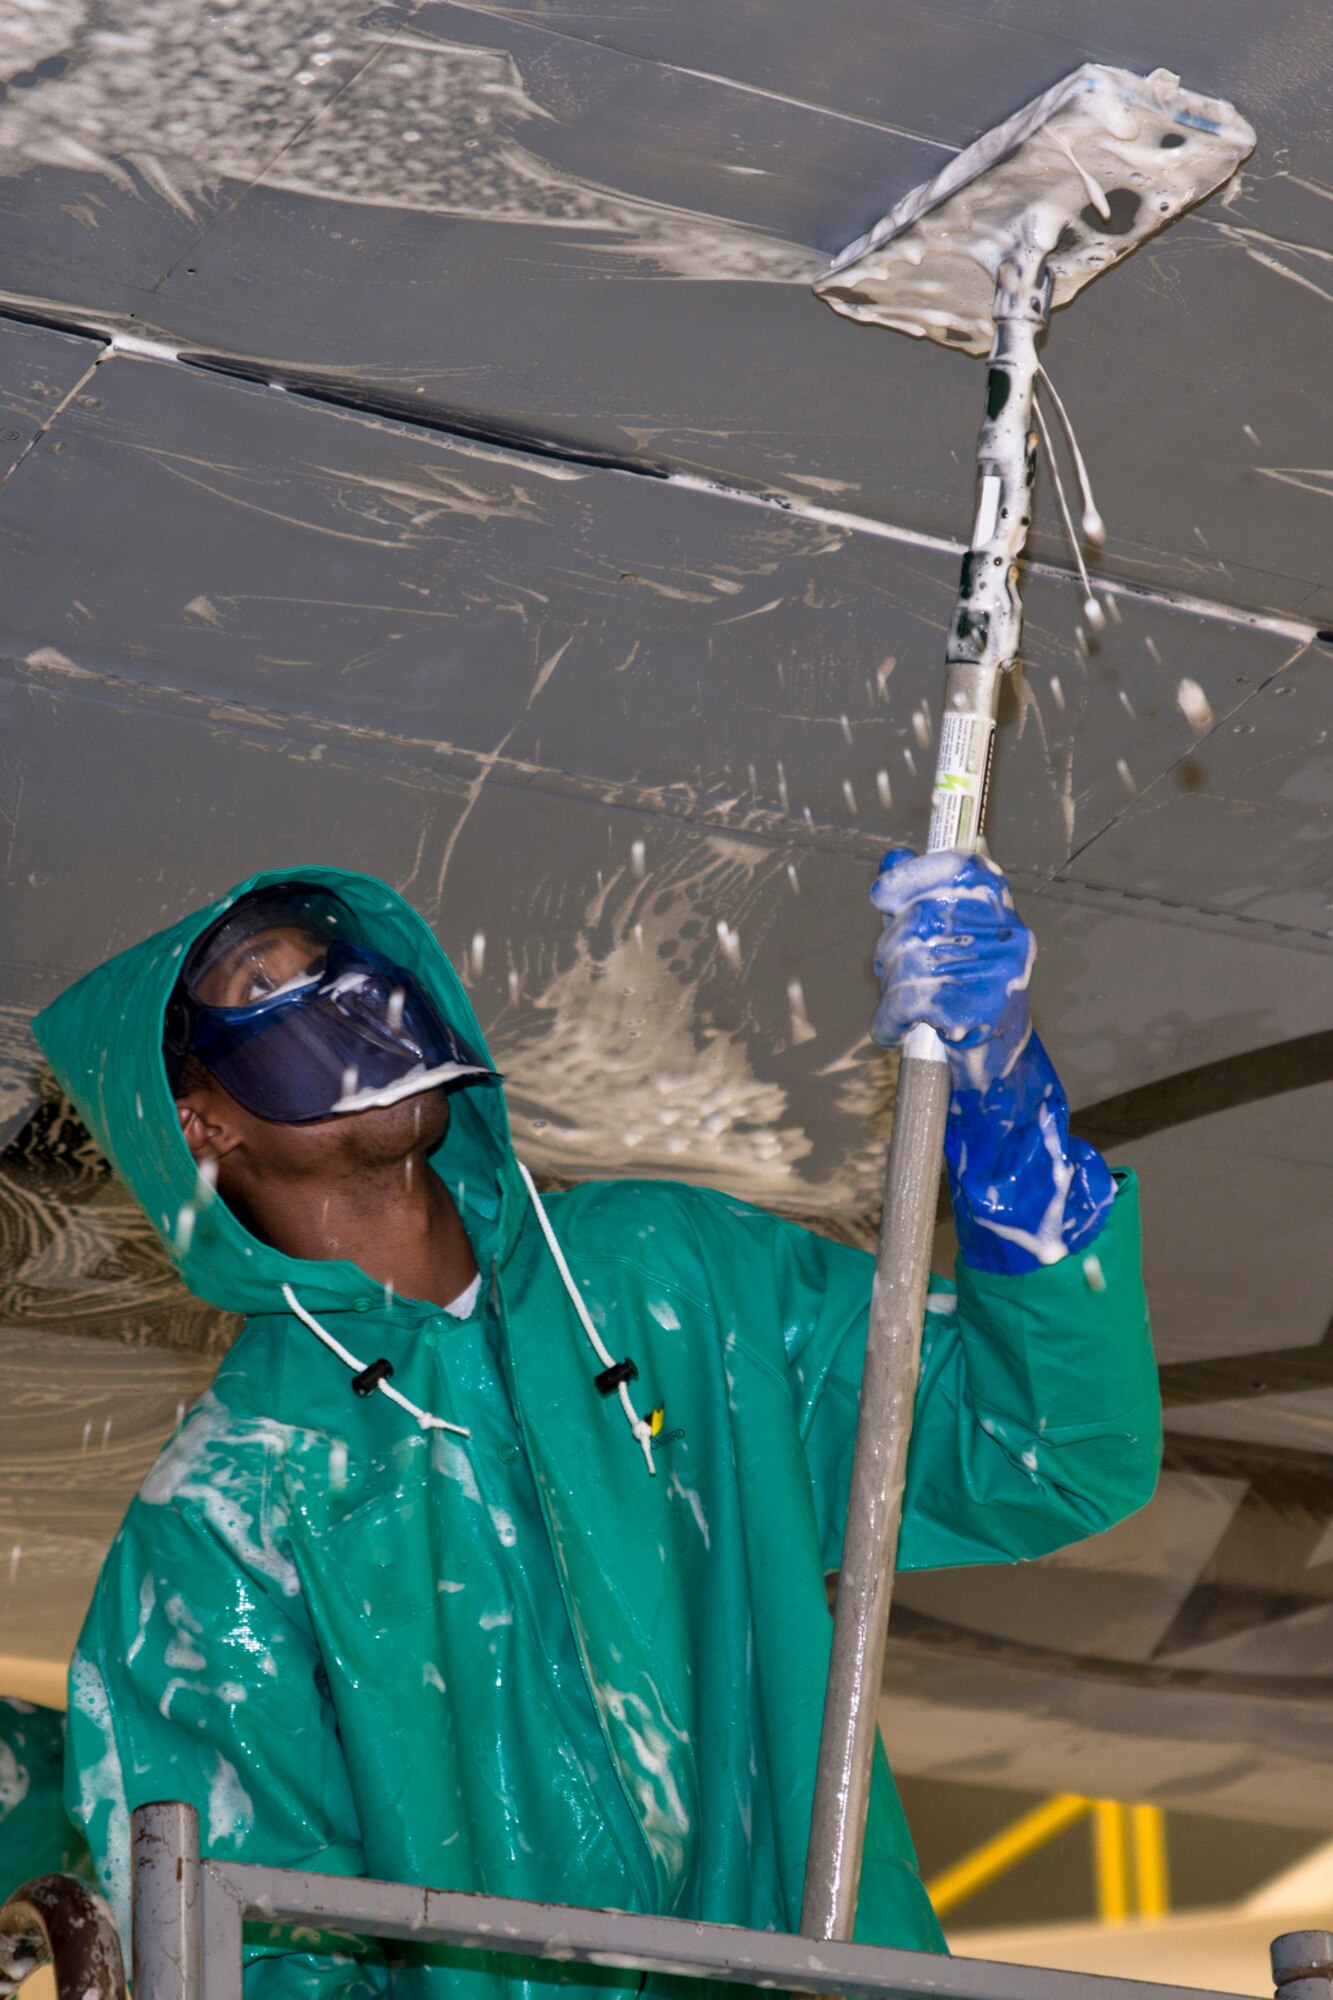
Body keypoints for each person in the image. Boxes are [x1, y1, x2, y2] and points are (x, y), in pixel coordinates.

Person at [32, 854, 1159, 1999]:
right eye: (266, 984)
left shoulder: (676, 1276)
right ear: (199, 1119)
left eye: (342, 963)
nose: (346, 1001)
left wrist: (1008, 1109)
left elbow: (1045, 1454)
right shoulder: (229, 1503)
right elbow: (242, 1946)